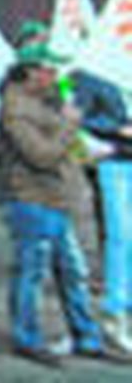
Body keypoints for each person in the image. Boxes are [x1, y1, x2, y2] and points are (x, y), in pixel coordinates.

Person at [0, 44, 128, 368]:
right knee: (31, 273)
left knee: (73, 272)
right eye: (49, 71)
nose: (56, 77)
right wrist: (69, 125)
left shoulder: (44, 102)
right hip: (31, 199)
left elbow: (62, 149)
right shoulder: (15, 109)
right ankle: (28, 338)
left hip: (55, 197)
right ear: (31, 73)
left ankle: (87, 336)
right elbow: (41, 155)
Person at [76, 66, 132, 352]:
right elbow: (80, 118)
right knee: (121, 237)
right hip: (117, 161)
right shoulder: (94, 73)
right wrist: (115, 129)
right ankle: (115, 312)